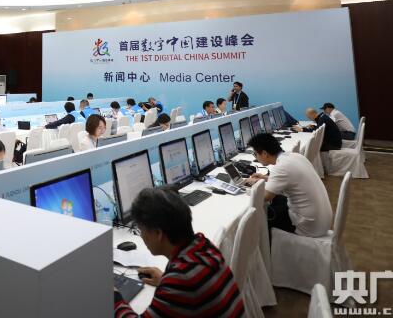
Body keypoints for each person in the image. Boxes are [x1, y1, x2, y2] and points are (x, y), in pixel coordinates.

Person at [113, 188, 244, 317]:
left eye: (141, 230)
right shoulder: (203, 245)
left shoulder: (182, 279)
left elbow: (186, 284)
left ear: (158, 233)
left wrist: (114, 297)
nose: (141, 236)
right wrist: (165, 281)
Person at [245, 133, 333, 237]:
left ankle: (272, 245)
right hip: (322, 219)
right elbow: (289, 179)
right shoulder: (295, 156)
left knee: (262, 218)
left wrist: (246, 189)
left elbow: (264, 197)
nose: (256, 157)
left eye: (255, 154)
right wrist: (265, 178)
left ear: (264, 153)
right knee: (277, 200)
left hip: (309, 225)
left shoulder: (281, 167)